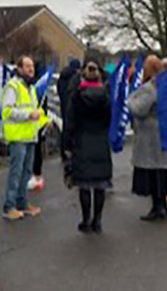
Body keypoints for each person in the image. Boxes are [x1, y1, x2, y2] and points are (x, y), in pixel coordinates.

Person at [127, 55, 167, 221]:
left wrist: (129, 101)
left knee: (154, 173)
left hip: (151, 137)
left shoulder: (151, 87)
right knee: (162, 173)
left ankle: (157, 207)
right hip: (165, 133)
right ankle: (162, 205)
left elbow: (139, 109)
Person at [62, 58, 112, 233]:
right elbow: (110, 120)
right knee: (100, 184)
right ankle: (97, 220)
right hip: (100, 141)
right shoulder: (106, 98)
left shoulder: (76, 98)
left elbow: (70, 123)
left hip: (82, 141)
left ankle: (86, 219)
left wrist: (67, 144)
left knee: (84, 185)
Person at [1, 55, 48, 221]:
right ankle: (9, 205)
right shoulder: (13, 86)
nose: (31, 69)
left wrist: (42, 119)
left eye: (32, 66)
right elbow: (7, 111)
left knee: (27, 172)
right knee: (16, 172)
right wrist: (29, 115)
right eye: (27, 66)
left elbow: (33, 111)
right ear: (19, 69)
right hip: (18, 137)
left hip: (30, 136)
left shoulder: (31, 88)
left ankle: (22, 202)